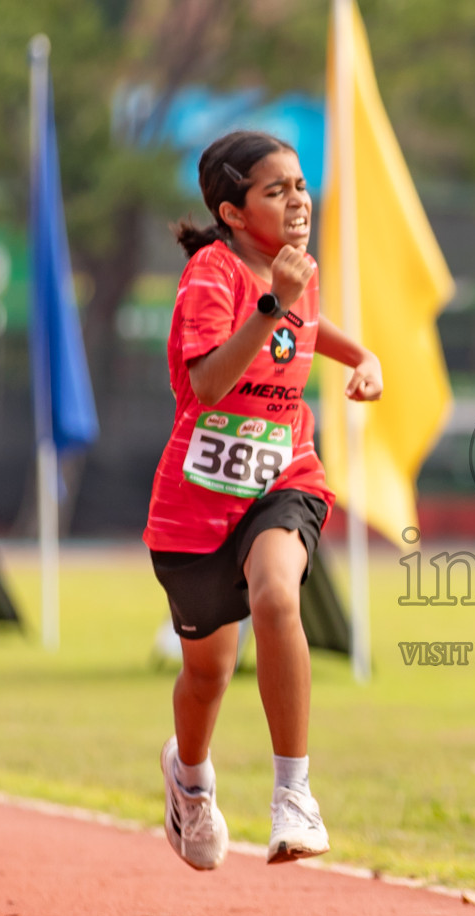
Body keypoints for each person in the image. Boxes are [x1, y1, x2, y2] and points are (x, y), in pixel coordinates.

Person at [143, 130, 382, 872]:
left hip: (282, 482)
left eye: (301, 185)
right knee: (207, 675)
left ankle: (293, 796)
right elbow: (209, 385)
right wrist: (274, 298)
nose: (298, 201)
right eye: (276, 190)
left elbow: (308, 324)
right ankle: (189, 779)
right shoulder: (211, 277)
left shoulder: (290, 277)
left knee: (279, 594)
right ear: (233, 211)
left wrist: (363, 356)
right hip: (196, 505)